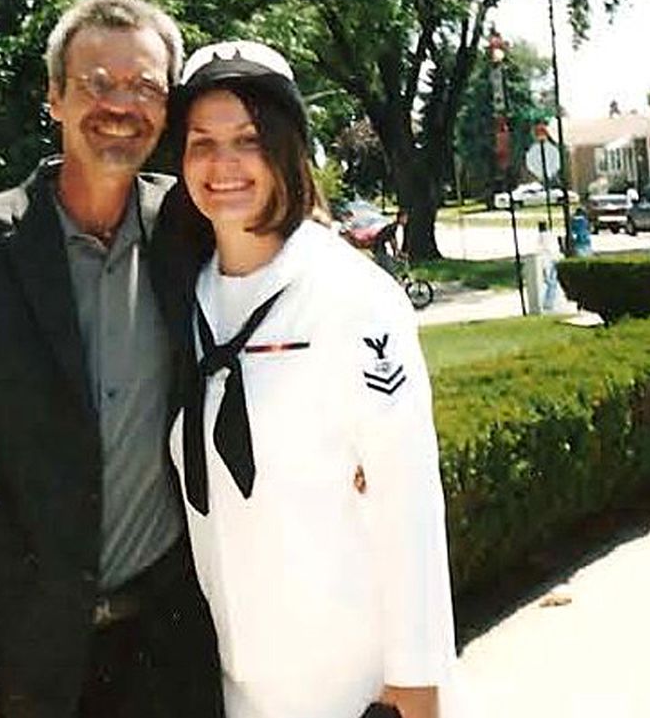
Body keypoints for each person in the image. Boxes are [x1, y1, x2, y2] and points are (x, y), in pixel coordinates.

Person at [0, 0, 222, 718]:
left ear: (167, 109)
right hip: (25, 651)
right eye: (95, 83)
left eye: (143, 86)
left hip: (170, 644)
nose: (120, 103)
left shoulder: (192, 227)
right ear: (54, 97)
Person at [166, 41, 460, 718]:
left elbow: (407, 497)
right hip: (240, 686)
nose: (223, 164)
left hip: (357, 687)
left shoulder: (349, 294)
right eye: (201, 142)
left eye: (248, 139)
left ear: (290, 148)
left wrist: (416, 684)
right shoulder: (187, 297)